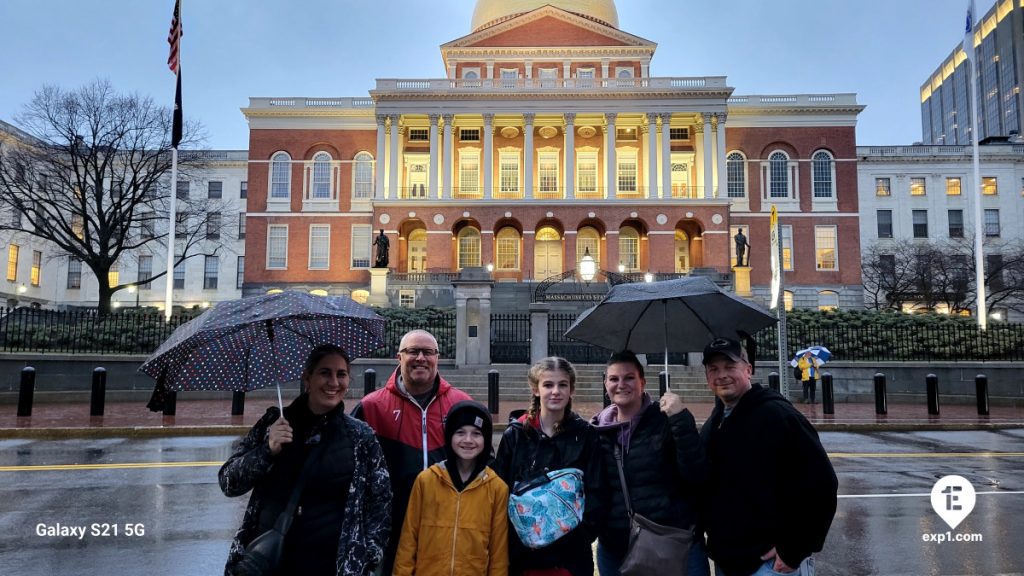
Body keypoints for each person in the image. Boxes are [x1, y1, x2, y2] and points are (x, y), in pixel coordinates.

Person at [219, 344, 391, 576]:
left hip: (330, 564)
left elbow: (380, 502)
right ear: (307, 378)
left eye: (341, 374)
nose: (333, 382)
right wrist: (266, 451)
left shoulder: (360, 436)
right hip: (271, 560)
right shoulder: (275, 423)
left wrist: (367, 558)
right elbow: (229, 482)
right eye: (324, 373)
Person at [699, 337, 838, 576]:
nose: (722, 375)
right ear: (708, 377)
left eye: (730, 366)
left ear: (748, 369)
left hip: (768, 564)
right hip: (728, 559)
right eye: (714, 369)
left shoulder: (777, 415)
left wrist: (794, 549)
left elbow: (822, 485)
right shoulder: (716, 422)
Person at [352, 329, 473, 575]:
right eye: (412, 351)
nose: (420, 357)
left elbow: (483, 466)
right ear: (399, 357)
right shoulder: (371, 406)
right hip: (392, 528)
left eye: (428, 352)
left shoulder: (461, 404)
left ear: (437, 357)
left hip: (448, 525)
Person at [591, 350, 710, 576]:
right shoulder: (597, 431)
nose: (621, 385)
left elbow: (697, 474)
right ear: (605, 383)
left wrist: (680, 421)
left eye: (629, 378)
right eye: (614, 379)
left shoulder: (667, 419)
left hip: (670, 543)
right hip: (616, 547)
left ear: (642, 382)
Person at [493, 357, 603, 576]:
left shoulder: (586, 435)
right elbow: (500, 491)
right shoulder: (515, 435)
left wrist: (581, 534)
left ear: (571, 390)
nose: (556, 391)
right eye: (548, 385)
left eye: (562, 385)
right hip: (523, 556)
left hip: (570, 556)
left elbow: (597, 490)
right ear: (536, 389)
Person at [393, 401, 509, 576]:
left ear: (486, 439)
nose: (468, 440)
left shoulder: (497, 488)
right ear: (449, 437)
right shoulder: (426, 480)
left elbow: (498, 552)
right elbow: (408, 540)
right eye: (460, 432)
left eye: (476, 434)